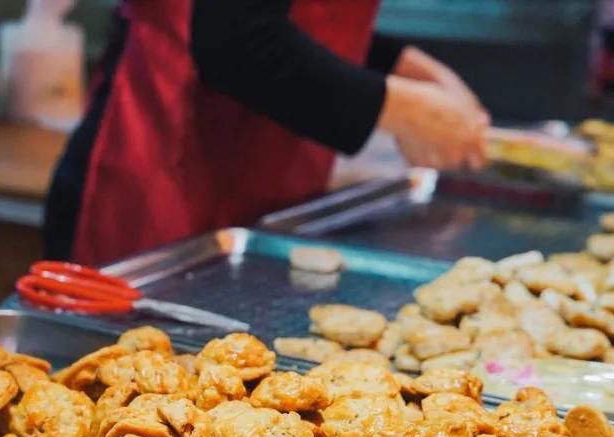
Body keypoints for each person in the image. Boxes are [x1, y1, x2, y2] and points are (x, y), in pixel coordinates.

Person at [44, 0, 490, 266]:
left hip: (254, 177)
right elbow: (236, 39)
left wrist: (402, 66)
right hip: (164, 168)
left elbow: (291, 14)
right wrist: (404, 110)